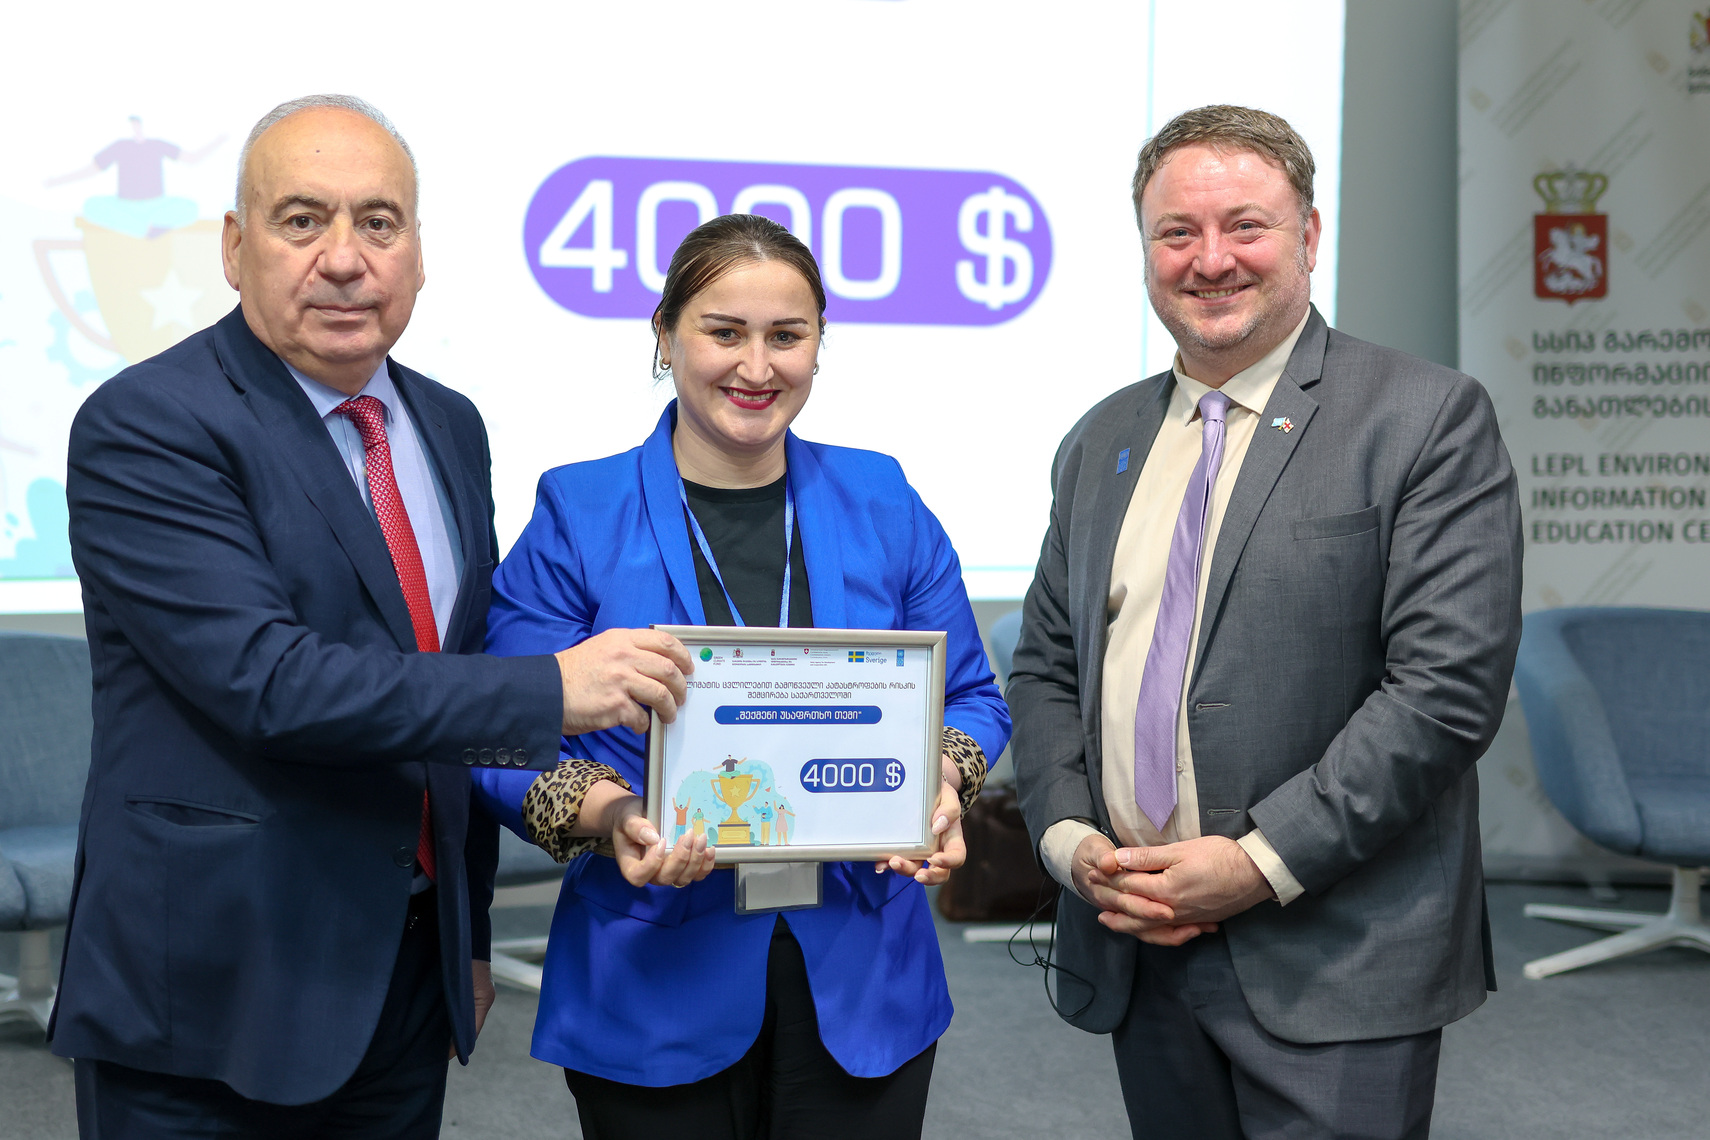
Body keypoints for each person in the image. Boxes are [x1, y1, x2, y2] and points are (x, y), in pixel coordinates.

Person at [52, 94, 692, 1139]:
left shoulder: (447, 424)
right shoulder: (150, 423)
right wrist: (554, 688)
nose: (345, 259)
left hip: (401, 981)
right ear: (234, 247)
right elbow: (270, 683)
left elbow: (449, 677)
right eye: (303, 220)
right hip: (216, 989)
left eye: (379, 222)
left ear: (419, 252)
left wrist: (465, 936)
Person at [1009, 104, 1522, 1140]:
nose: (1211, 260)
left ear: (1309, 236)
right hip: (1136, 938)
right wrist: (1071, 841)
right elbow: (1049, 667)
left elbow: (1443, 693)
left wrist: (1254, 863)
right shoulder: (1099, 439)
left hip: (1336, 954)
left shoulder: (1424, 417)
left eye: (1245, 226)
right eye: (1177, 233)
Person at [469, 212, 1010, 1140]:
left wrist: (941, 784)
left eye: (786, 336)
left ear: (818, 345)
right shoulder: (579, 510)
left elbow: (970, 699)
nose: (757, 367)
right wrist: (613, 816)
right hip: (653, 970)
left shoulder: (882, 497)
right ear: (665, 335)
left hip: (863, 970)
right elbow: (503, 732)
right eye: (725, 331)